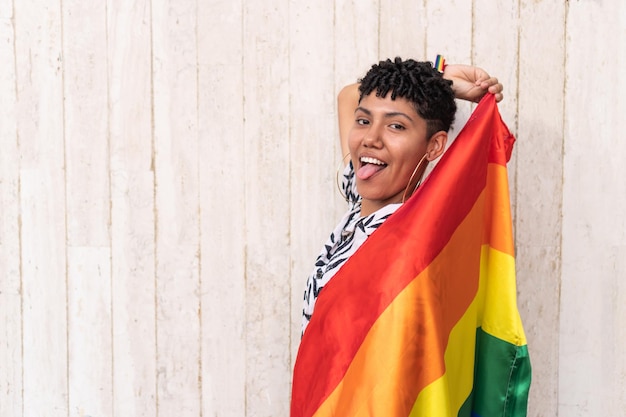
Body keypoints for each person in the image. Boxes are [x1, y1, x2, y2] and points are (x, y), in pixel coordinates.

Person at [301, 57, 504, 334]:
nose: (369, 139)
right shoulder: (362, 196)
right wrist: (438, 79)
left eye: (396, 126)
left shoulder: (408, 250)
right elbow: (349, 95)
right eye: (363, 120)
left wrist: (436, 82)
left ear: (434, 146)